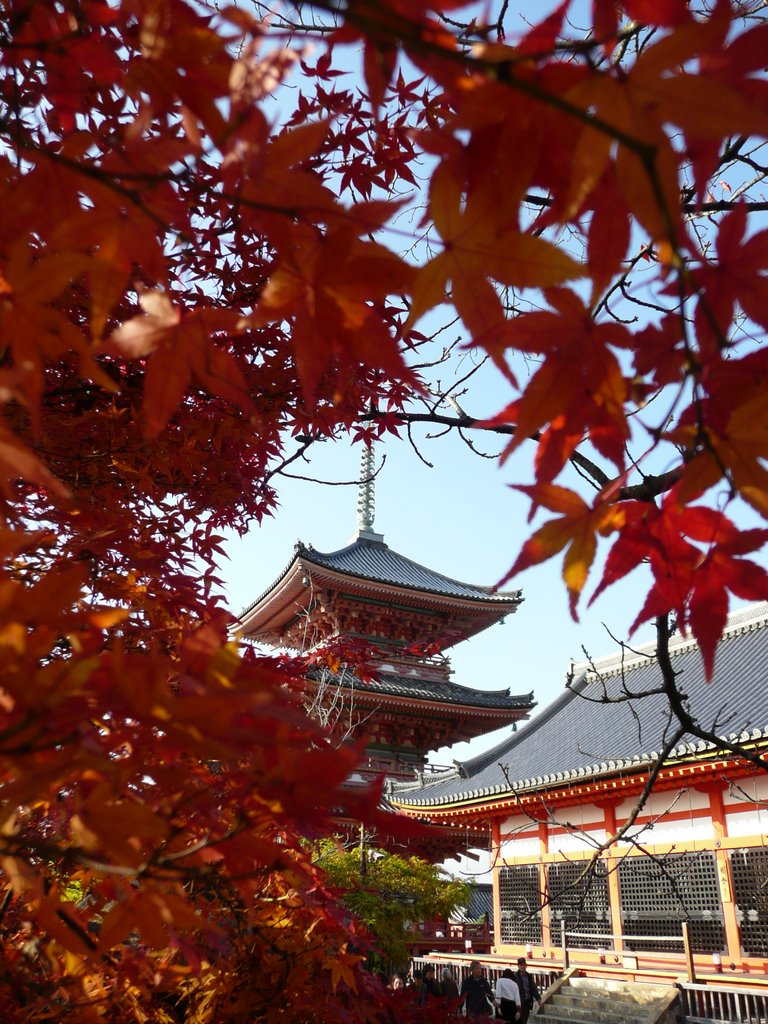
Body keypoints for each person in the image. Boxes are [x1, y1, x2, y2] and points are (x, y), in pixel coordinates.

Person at [511, 958, 541, 1024]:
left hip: (527, 1001)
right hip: (519, 1002)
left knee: (525, 1018)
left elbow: (533, 988)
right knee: (521, 1020)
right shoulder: (515, 977)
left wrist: (538, 998)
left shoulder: (529, 976)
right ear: (518, 966)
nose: (523, 966)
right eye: (521, 965)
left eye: (524, 965)